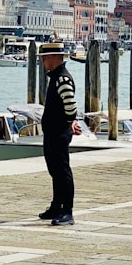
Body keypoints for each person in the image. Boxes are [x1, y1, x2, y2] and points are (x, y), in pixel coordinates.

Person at [38, 41, 82, 226]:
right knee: (55, 170)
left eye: (45, 58)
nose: (43, 62)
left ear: (55, 58)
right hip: (53, 131)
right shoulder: (56, 77)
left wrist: (69, 123)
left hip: (58, 132)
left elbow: (71, 107)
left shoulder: (62, 79)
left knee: (62, 171)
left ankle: (67, 211)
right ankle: (56, 206)